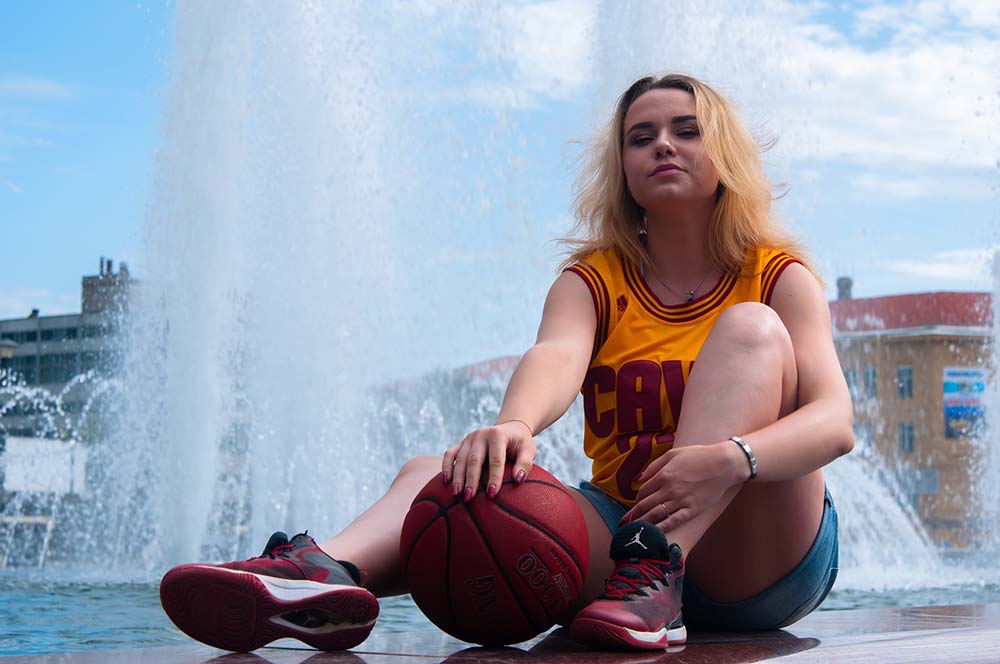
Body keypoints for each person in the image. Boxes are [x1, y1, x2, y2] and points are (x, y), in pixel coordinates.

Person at [160, 73, 853, 652]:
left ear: (724, 152)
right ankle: (326, 577)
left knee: (751, 330)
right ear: (622, 168)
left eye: (687, 130)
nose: (662, 145)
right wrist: (514, 425)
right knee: (445, 475)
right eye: (640, 137)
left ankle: (659, 568)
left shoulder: (775, 275)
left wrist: (732, 459)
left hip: (759, 550)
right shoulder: (594, 280)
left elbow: (834, 421)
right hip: (621, 561)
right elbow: (556, 354)